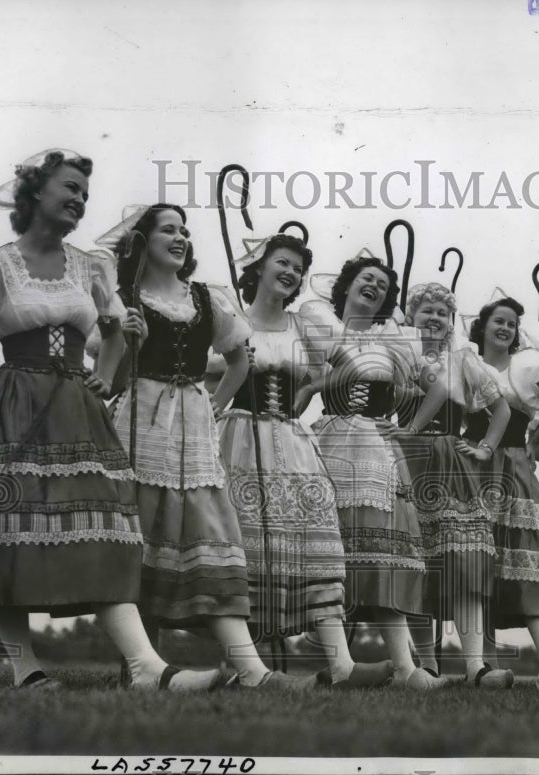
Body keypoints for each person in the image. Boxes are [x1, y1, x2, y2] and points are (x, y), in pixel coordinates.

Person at [0, 152, 223, 691]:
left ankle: (147, 667)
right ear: (34, 195)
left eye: (84, 192)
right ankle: (25, 668)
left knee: (101, 530)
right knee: (2, 533)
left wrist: (104, 376)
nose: (80, 200)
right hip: (15, 403)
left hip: (77, 409)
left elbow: (114, 332)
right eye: (71, 188)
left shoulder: (89, 265)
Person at [107, 204, 309, 690]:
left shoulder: (206, 298)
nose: (179, 238)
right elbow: (110, 379)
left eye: (184, 231)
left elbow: (239, 361)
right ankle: (140, 663)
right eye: (167, 230)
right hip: (141, 417)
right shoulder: (123, 300)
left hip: (193, 424)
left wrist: (214, 405)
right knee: (141, 531)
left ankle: (250, 669)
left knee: (207, 533)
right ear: (141, 241)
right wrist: (126, 340)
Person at [216, 234, 393, 687]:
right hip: (239, 435)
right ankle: (240, 662)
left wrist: (310, 387)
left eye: (297, 268)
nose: (290, 273)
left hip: (291, 442)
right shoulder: (231, 318)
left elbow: (350, 362)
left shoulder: (302, 324)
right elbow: (194, 368)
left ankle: (341, 665)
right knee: (245, 545)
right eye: (282, 262)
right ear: (259, 268)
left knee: (315, 542)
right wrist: (231, 366)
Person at [299, 252, 442, 689]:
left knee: (380, 553)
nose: (375, 287)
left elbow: (436, 388)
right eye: (367, 278)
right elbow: (300, 391)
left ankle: (404, 666)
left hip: (376, 453)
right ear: (346, 286)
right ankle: (340, 663)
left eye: (382, 284)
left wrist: (409, 428)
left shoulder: (393, 338)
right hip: (328, 447)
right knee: (330, 554)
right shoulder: (320, 331)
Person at [397, 282, 515, 688]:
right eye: (426, 310)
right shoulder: (397, 352)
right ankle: (426, 665)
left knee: (463, 561)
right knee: (413, 561)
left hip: (450, 461)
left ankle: (474, 666)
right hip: (404, 460)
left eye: (442, 313)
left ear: (451, 322)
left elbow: (501, 409)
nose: (434, 318)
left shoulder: (462, 359)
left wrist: (485, 448)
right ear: (410, 316)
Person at [466, 296, 539, 677]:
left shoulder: (526, 365)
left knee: (525, 557)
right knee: (479, 560)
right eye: (499, 320)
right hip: (473, 466)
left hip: (512, 464)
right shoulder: (468, 362)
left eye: (512, 324)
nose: (505, 329)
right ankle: (484, 665)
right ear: (483, 325)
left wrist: (535, 439)